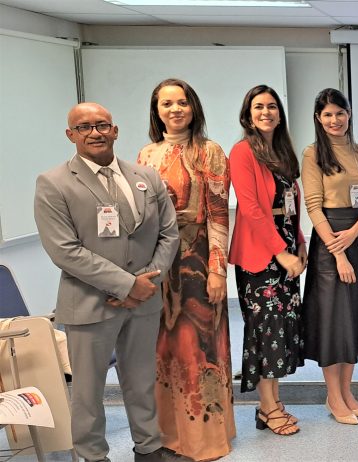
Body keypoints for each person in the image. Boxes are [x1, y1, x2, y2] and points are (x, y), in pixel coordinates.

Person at [34, 102, 179, 462]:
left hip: (144, 303)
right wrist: (126, 286)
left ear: (115, 130)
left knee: (142, 382)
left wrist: (146, 283)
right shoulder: (53, 183)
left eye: (102, 125)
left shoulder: (147, 178)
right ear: (71, 136)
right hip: (89, 304)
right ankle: (92, 455)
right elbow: (65, 250)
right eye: (83, 128)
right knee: (88, 391)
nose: (94, 132)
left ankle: (149, 449)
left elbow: (169, 235)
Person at [136, 78, 235, 460]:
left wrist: (217, 270)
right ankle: (169, 435)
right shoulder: (146, 154)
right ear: (156, 110)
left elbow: (218, 214)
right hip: (158, 264)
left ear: (193, 107)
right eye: (166, 104)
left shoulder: (209, 151)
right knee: (165, 350)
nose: (175, 110)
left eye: (182, 103)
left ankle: (205, 440)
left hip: (197, 260)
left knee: (201, 349)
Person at [301, 88, 358, 425]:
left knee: (354, 319)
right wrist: (339, 254)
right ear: (319, 119)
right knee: (333, 323)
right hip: (329, 243)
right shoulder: (312, 154)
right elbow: (312, 206)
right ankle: (333, 396)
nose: (334, 120)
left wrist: (355, 234)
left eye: (340, 113)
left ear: (349, 114)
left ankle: (347, 391)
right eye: (327, 114)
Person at [227, 85, 306, 436]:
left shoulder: (282, 152)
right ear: (248, 113)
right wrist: (281, 253)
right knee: (264, 331)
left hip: (287, 247)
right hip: (261, 256)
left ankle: (272, 402)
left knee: (282, 329)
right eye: (259, 106)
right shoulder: (243, 152)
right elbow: (252, 208)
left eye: (272, 106)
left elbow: (290, 206)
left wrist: (300, 243)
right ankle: (267, 407)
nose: (266, 112)